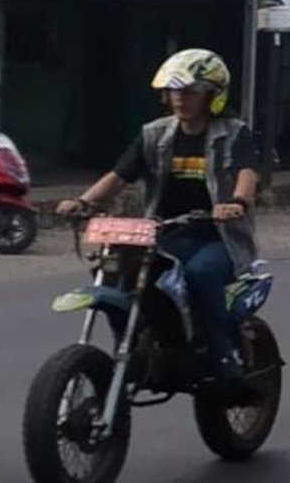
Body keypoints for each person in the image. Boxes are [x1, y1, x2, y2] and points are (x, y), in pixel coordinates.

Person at [56, 49, 258, 381]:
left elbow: (246, 173)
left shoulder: (234, 133)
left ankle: (223, 355)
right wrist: (83, 202)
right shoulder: (155, 134)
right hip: (162, 233)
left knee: (200, 274)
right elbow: (119, 176)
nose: (180, 99)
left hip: (215, 236)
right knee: (116, 272)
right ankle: (134, 347)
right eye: (173, 91)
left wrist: (237, 202)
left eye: (190, 91)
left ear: (212, 95)